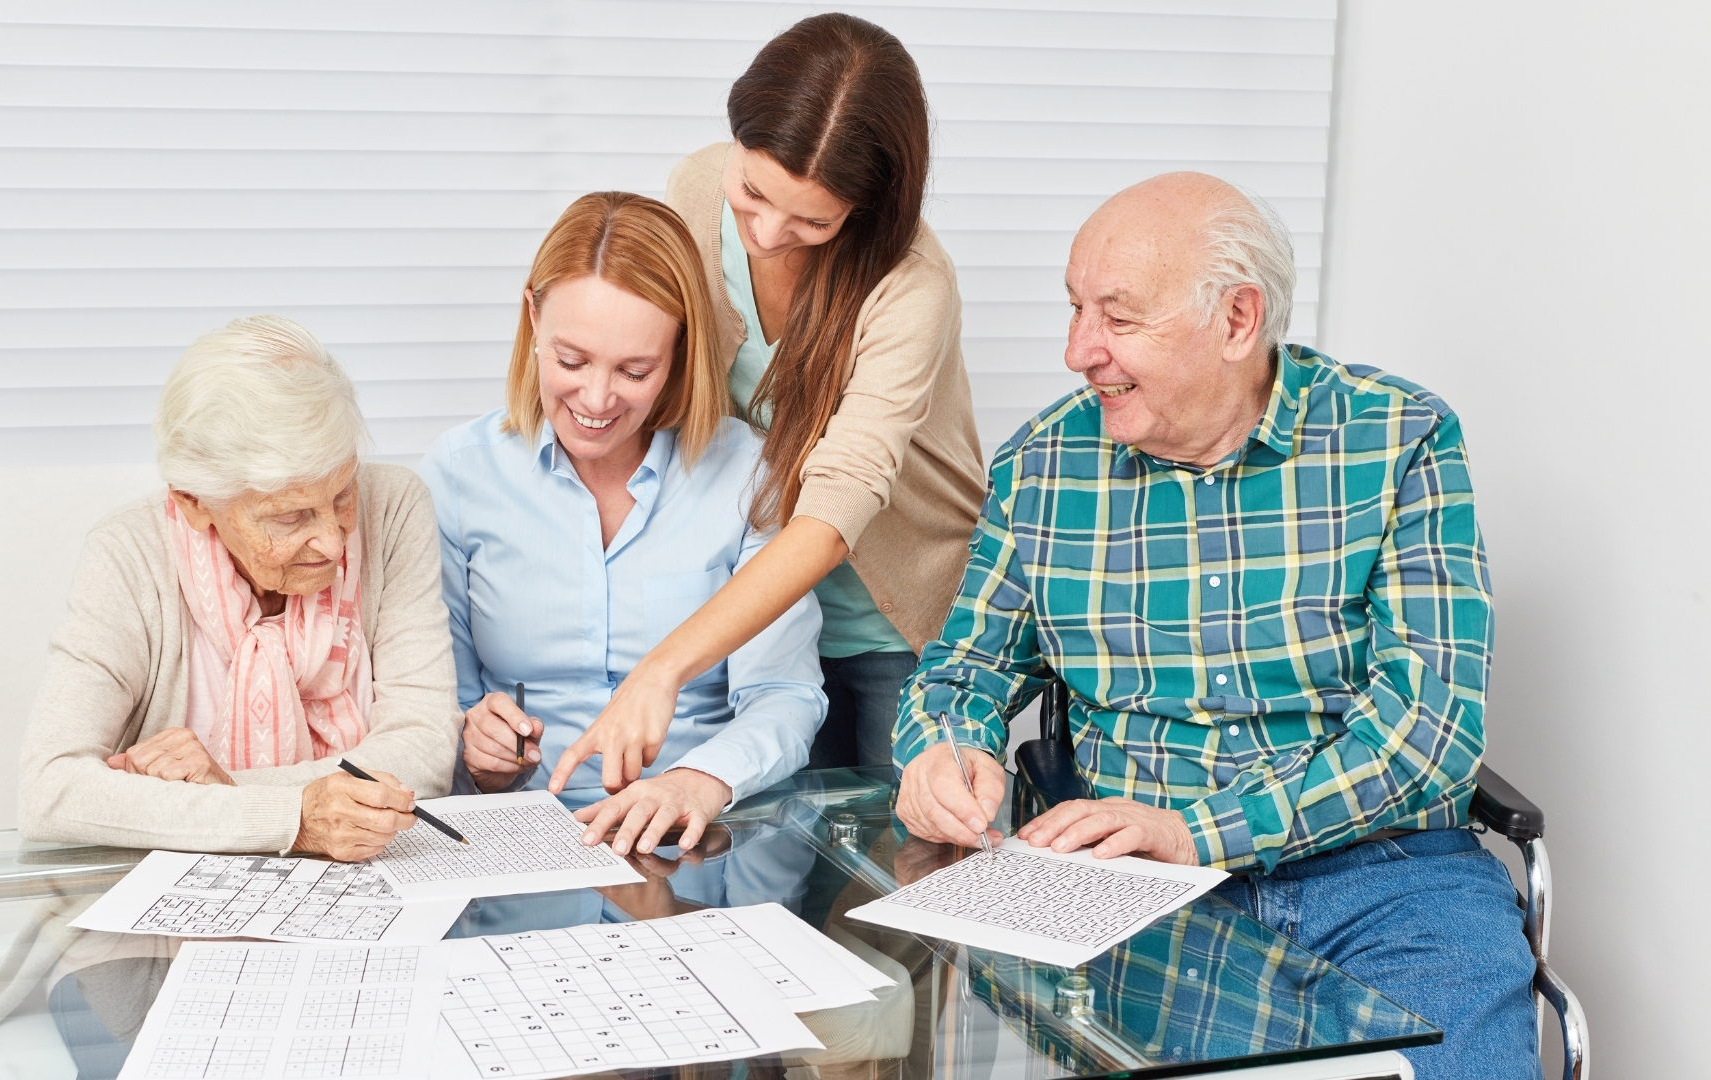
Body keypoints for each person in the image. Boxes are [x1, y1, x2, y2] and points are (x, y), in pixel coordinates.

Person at [892, 173, 1540, 1077]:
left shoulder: (1397, 438)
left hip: (1388, 882)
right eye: (1076, 309)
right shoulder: (1043, 463)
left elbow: (1428, 733)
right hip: (1141, 899)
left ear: (1239, 319)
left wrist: (1197, 831)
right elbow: (962, 670)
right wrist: (942, 749)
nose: (1079, 350)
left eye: (1117, 319)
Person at [548, 13, 986, 791]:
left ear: (868, 207)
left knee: (901, 878)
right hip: (750, 618)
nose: (769, 233)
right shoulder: (695, 187)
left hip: (892, 618)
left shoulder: (913, 283)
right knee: (777, 873)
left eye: (813, 220)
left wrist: (665, 665)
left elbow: (837, 503)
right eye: (752, 191)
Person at [419, 191, 826, 857]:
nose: (598, 400)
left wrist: (698, 781)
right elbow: (440, 708)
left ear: (678, 354)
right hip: (521, 848)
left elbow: (784, 696)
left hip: (698, 843)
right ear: (532, 318)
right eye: (571, 361)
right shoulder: (460, 477)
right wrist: (476, 745)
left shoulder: (747, 474)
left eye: (636, 371)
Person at [19, 314, 460, 863]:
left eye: (342, 493)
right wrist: (291, 819)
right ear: (194, 502)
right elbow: (50, 790)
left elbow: (424, 750)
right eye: (290, 517)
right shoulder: (128, 554)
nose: (331, 540)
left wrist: (224, 792)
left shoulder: (393, 508)